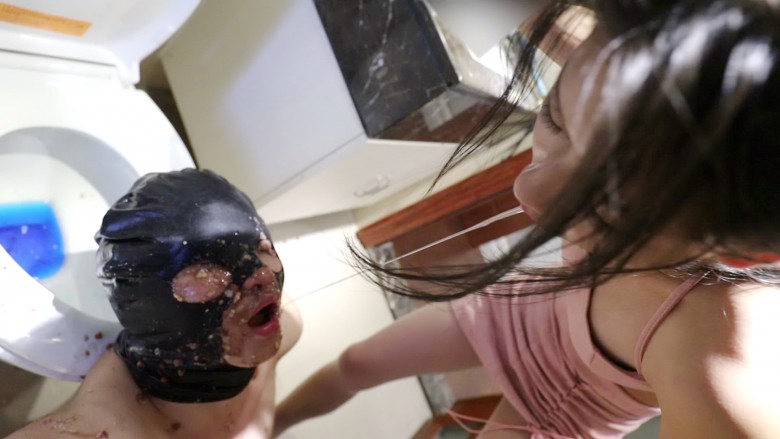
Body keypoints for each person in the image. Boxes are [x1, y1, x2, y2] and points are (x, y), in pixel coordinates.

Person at [274, 0, 780, 437]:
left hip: (566, 414)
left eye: (606, 205)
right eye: (555, 118)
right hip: (523, 311)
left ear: (741, 252)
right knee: (357, 362)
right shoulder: (633, 68)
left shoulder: (716, 360)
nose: (526, 189)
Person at [9, 169, 302, 439]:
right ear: (146, 310)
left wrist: (281, 421)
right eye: (209, 273)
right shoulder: (104, 427)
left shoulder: (285, 324)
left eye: (263, 251)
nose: (264, 276)